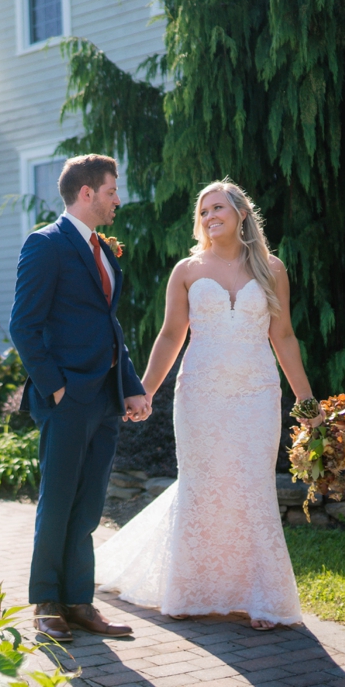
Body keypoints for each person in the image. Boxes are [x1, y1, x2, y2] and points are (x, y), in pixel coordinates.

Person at [93, 179, 323, 630]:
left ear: (240, 213)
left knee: (253, 488)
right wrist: (145, 390)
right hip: (200, 394)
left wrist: (306, 401)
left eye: (218, 207)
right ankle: (192, 592)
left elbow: (283, 336)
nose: (210, 216)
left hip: (257, 394)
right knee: (202, 485)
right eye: (203, 211)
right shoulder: (187, 270)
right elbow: (171, 336)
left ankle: (260, 598)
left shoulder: (272, 269)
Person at [9, 154, 152, 643]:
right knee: (59, 501)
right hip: (67, 399)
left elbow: (108, 326)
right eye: (113, 190)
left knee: (89, 506)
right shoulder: (45, 245)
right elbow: (23, 325)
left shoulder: (104, 250)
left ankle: (78, 602)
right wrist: (55, 386)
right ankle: (46, 603)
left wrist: (130, 385)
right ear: (87, 193)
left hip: (106, 400)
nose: (118, 199)